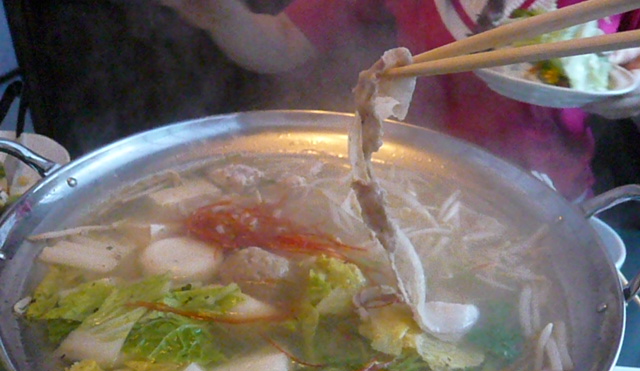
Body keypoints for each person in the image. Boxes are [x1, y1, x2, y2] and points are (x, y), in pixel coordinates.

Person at [160, 0, 640, 201]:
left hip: (544, 192)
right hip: (411, 179)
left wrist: (633, 97)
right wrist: (223, 17)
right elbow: (283, 45)